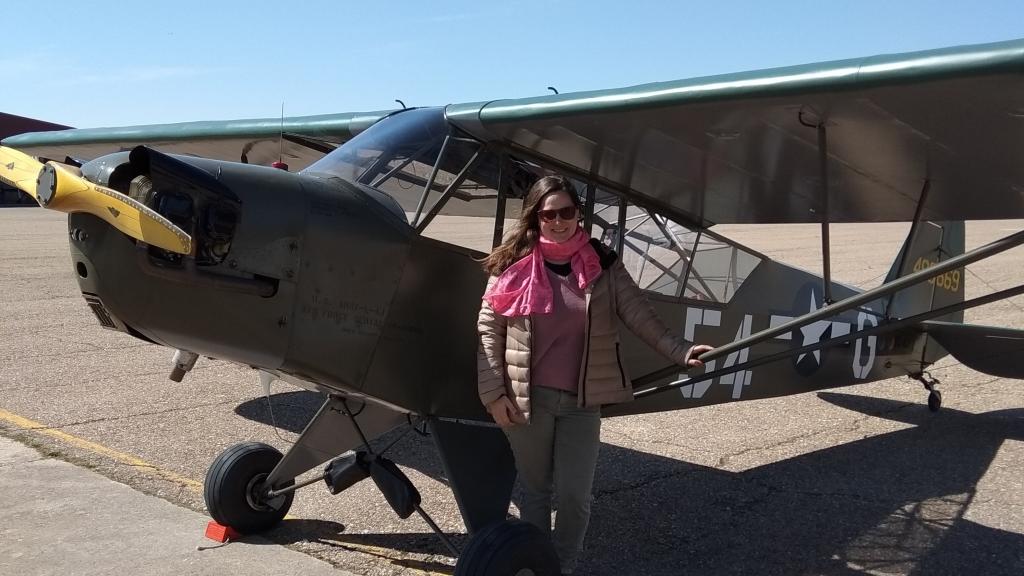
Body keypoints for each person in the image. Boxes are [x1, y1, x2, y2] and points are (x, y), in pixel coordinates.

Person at [477, 174, 713, 574]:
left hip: (580, 402)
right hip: (526, 399)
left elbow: (640, 314)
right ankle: (539, 567)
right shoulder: (511, 265)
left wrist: (681, 350)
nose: (558, 221)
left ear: (578, 214)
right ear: (535, 217)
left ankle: (562, 567)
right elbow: (488, 330)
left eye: (566, 212)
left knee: (575, 496)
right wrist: (493, 395)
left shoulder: (602, 264)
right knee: (535, 492)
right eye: (548, 214)